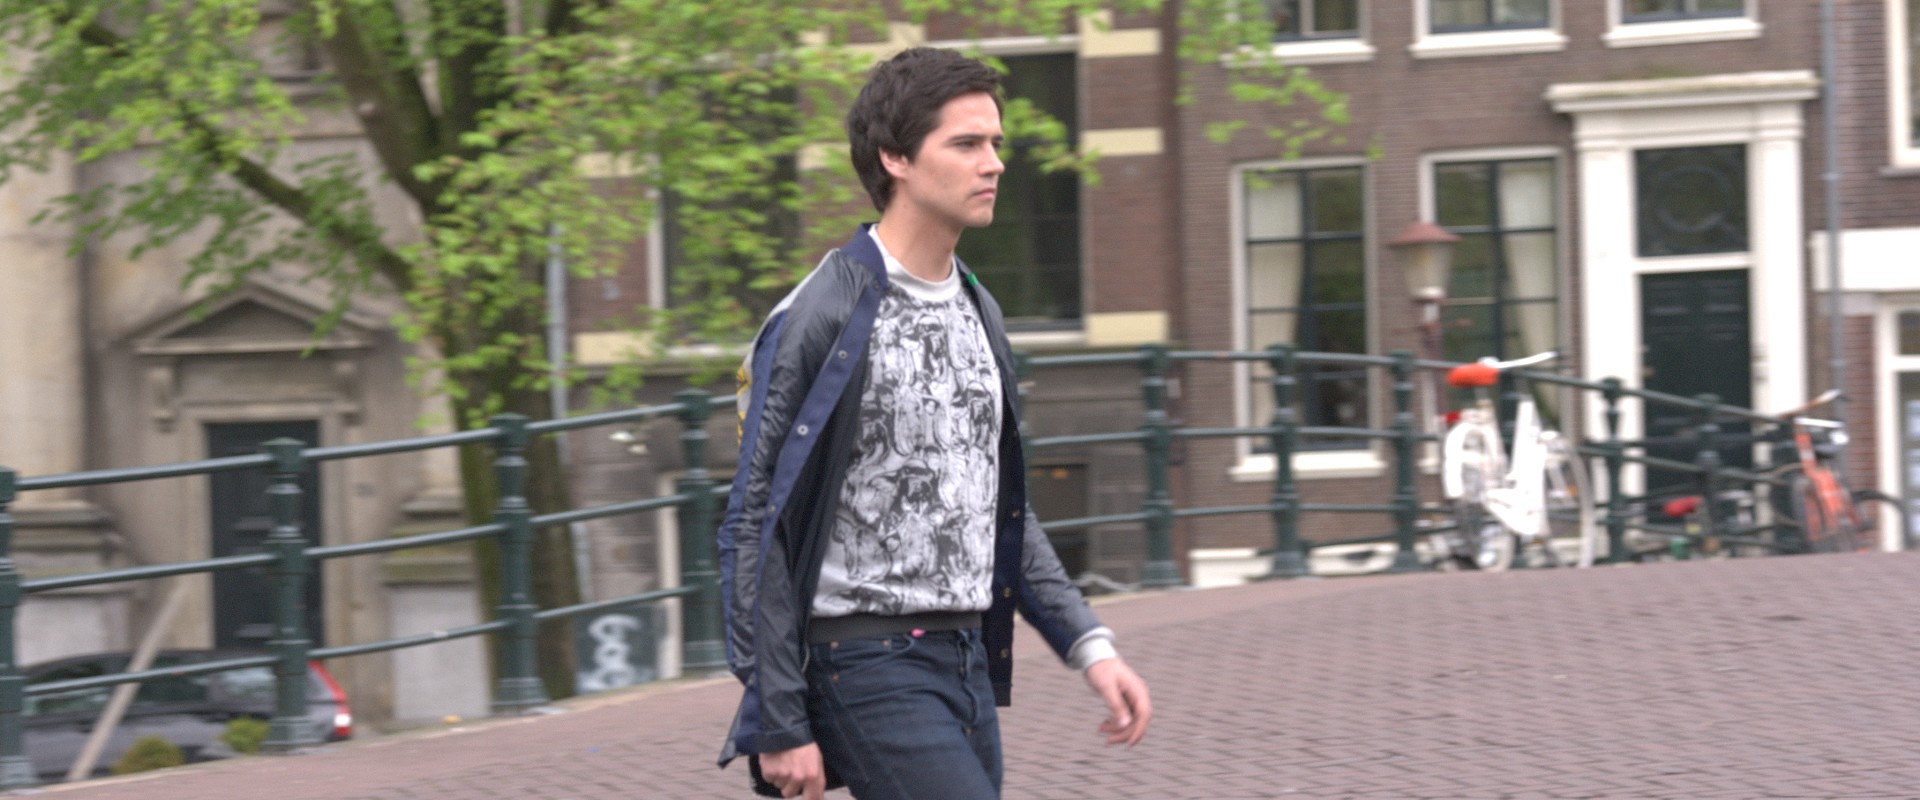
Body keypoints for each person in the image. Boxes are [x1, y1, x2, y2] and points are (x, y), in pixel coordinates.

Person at [715, 47, 1152, 800]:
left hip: (966, 659)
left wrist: (1089, 643)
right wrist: (777, 716)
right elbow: (756, 520)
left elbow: (996, 505)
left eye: (996, 143)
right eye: (967, 143)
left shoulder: (980, 310)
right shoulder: (819, 315)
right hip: (864, 662)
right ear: (896, 158)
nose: (995, 163)